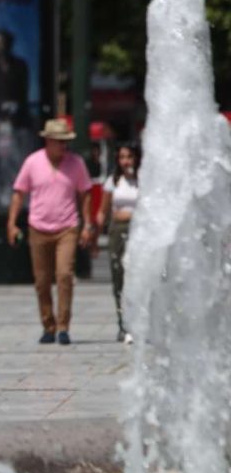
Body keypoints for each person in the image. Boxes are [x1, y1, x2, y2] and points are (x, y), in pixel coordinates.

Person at [6, 118, 94, 345]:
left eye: (65, 142)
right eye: (58, 142)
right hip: (38, 227)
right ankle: (48, 325)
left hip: (67, 227)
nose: (62, 146)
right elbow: (19, 192)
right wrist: (12, 222)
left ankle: (64, 326)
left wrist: (88, 225)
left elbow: (85, 193)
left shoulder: (76, 164)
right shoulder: (32, 162)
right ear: (47, 141)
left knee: (64, 275)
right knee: (42, 280)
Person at [96, 143, 140, 344]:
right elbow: (103, 211)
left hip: (139, 232)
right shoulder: (113, 181)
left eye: (129, 157)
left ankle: (138, 323)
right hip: (117, 231)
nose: (125, 161)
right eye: (122, 157)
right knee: (119, 277)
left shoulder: (144, 181)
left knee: (137, 277)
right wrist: (95, 232)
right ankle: (122, 322)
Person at [0, 29, 30, 127]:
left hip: (16, 114)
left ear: (8, 44)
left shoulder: (20, 65)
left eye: (0, 43)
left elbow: (23, 91)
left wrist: (14, 107)